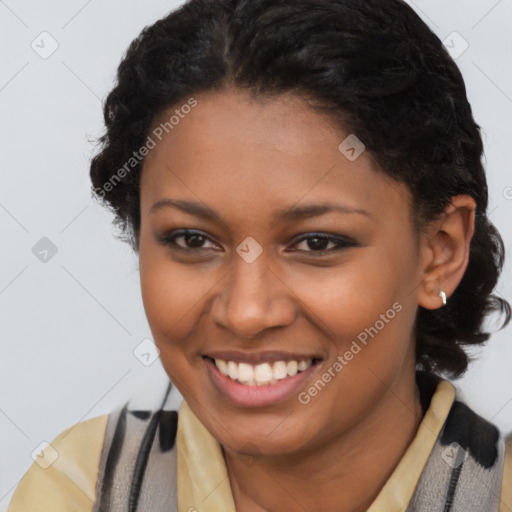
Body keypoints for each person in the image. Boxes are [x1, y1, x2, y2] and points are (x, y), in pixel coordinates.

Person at [8, 0, 512, 510]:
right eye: (191, 239)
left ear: (439, 253)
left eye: (317, 243)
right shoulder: (77, 490)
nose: (246, 313)